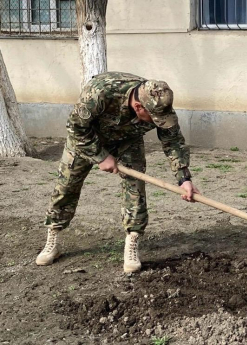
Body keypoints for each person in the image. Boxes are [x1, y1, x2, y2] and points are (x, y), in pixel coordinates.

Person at [36, 72, 199, 273]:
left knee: (135, 188)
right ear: (138, 107)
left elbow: (172, 141)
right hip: (86, 140)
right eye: (154, 119)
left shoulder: (158, 102)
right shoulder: (100, 93)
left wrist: (184, 178)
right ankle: (53, 235)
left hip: (127, 141)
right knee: (67, 184)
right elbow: (76, 128)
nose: (158, 122)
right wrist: (100, 156)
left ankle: (132, 240)